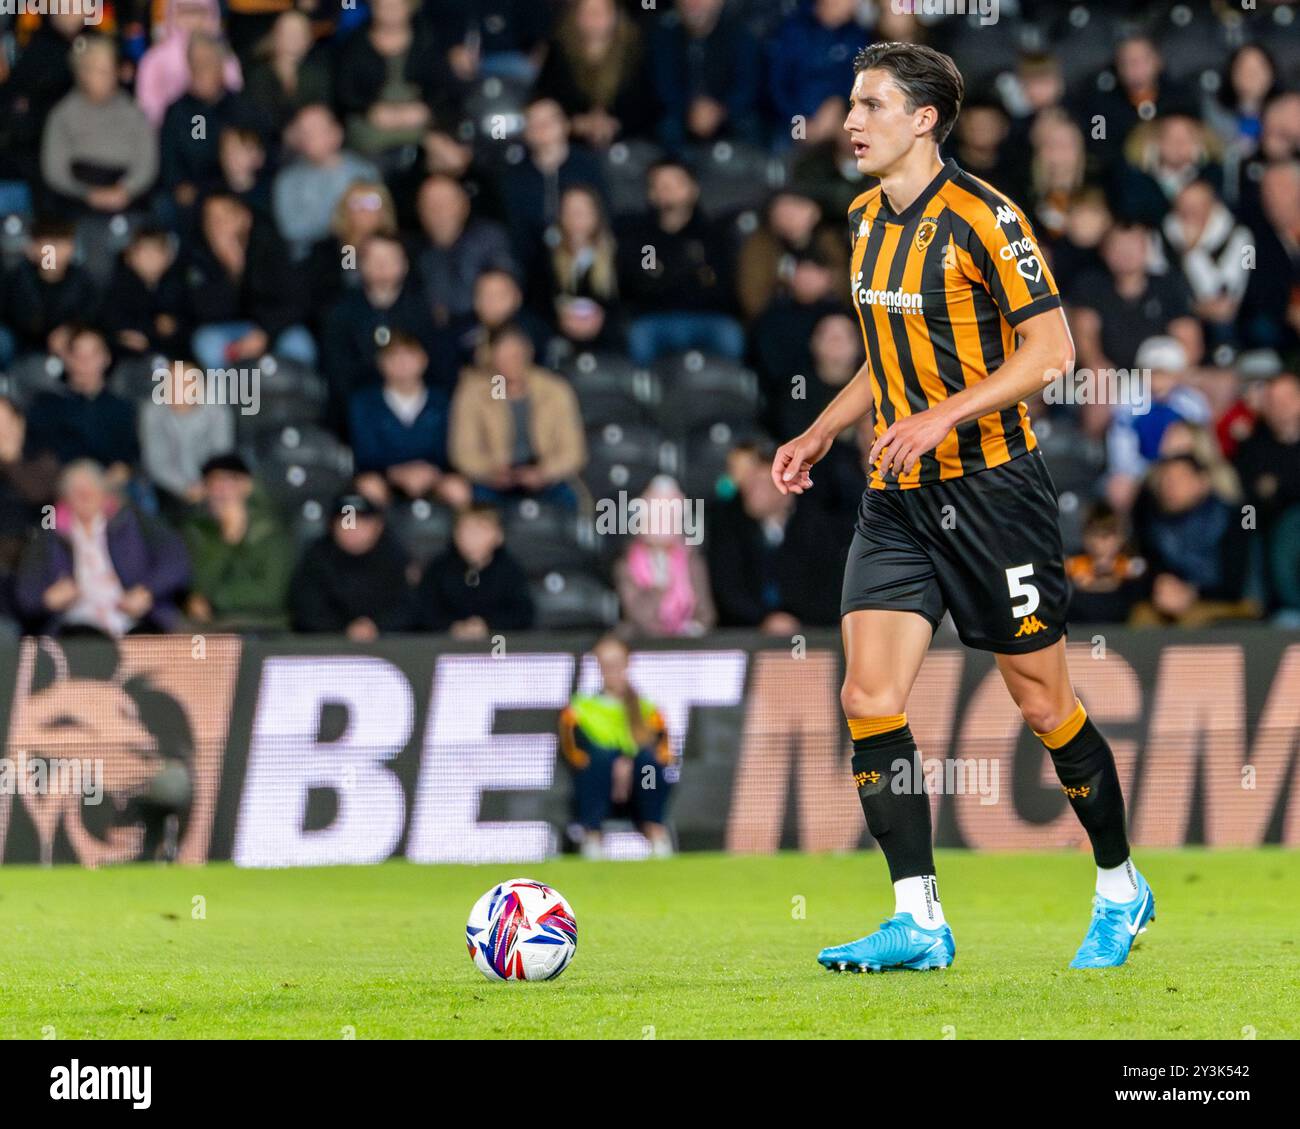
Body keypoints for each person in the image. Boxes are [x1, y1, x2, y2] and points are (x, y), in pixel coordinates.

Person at [771, 42, 1152, 973]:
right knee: (868, 695)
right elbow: (889, 357)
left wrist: (942, 415)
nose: (851, 121)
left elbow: (1051, 353)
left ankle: (1120, 886)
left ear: (924, 119)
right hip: (896, 497)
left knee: (1043, 703)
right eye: (851, 104)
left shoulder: (988, 218)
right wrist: (823, 429)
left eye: (870, 105)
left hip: (993, 495)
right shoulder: (863, 220)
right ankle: (919, 918)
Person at [15, 459, 190, 636]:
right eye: (75, 490)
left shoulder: (132, 519)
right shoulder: (48, 534)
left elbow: (176, 557)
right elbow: (26, 594)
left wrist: (149, 590)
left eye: (91, 486)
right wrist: (47, 599)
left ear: (105, 492)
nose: (84, 494)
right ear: (65, 498)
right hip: (77, 626)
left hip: (135, 620)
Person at [558, 634, 674, 859]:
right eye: (607, 665)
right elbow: (574, 752)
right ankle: (592, 835)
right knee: (598, 760)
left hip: (639, 785)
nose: (613, 671)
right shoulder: (582, 707)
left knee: (649, 763)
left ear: (627, 664)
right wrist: (615, 765)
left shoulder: (647, 707)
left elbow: (664, 751)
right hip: (599, 783)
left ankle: (655, 831)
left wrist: (628, 765)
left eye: (617, 664)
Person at [449, 324, 587, 509]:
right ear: (491, 356)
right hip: (494, 477)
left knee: (569, 500)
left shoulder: (553, 389)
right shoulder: (476, 392)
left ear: (527, 353)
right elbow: (463, 451)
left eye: (516, 355)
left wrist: (543, 472)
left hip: (544, 474)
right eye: (504, 356)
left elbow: (573, 451)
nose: (511, 363)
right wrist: (491, 471)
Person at [40, 35, 159, 218]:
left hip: (126, 197)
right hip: (75, 200)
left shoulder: (134, 112)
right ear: (82, 73)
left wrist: (126, 189)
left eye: (109, 70)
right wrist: (87, 193)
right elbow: (54, 171)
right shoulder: (62, 114)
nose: (106, 76)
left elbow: (146, 163)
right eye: (98, 70)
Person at [348, 331, 469, 510]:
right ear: (381, 364)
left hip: (432, 475)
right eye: (393, 358)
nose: (402, 364)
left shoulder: (441, 400)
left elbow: (451, 447)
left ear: (423, 360)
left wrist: (430, 471)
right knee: (369, 487)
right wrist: (396, 473)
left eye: (409, 356)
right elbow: (365, 453)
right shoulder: (364, 402)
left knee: (457, 489)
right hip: (386, 477)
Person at [182, 454, 294, 631]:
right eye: (215, 483)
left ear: (247, 486)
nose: (223, 491)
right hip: (213, 628)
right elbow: (197, 589)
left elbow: (272, 595)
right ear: (205, 489)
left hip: (264, 627)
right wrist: (227, 539)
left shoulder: (271, 531)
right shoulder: (197, 532)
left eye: (231, 482)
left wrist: (216, 599)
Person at [288, 492, 415, 637]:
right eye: (345, 522)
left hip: (389, 644)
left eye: (361, 522)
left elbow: (406, 607)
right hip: (327, 648)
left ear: (378, 526)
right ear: (332, 526)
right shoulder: (317, 556)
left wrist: (376, 626)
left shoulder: (393, 555)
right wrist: (345, 629)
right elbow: (306, 607)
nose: (352, 529)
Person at [614, 476, 715, 638]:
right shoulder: (626, 563)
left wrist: (690, 630)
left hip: (687, 648)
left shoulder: (692, 560)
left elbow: (705, 613)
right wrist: (660, 587)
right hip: (641, 645)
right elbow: (636, 615)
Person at [414, 504, 534, 636]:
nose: (472, 535)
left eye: (480, 529)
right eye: (466, 529)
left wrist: (488, 625)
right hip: (444, 646)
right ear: (455, 534)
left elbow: (522, 612)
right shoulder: (438, 568)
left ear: (499, 536)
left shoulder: (510, 570)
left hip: (497, 647)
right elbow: (423, 610)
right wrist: (453, 627)